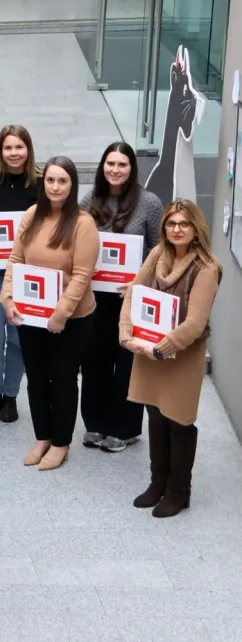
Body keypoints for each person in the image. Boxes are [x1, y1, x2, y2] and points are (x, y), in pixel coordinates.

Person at [120, 200, 221, 517]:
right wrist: (127, 334)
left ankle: (179, 491)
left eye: (184, 224)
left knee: (179, 420)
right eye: (171, 223)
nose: (177, 229)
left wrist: (161, 348)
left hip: (180, 355)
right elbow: (134, 293)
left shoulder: (207, 267)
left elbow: (196, 322)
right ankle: (158, 483)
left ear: (195, 229)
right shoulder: (157, 256)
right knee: (155, 415)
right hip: (147, 349)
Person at [1, 156, 99, 471]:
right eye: (50, 180)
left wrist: (61, 314)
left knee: (63, 380)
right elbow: (15, 259)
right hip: (32, 315)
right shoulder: (32, 215)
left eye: (62, 181)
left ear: (72, 186)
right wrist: (7, 298)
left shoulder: (83, 223)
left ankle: (60, 443)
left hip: (71, 319)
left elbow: (83, 276)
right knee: (37, 379)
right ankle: (42, 436)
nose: (55, 187)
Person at [79, 141, 163, 453]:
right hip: (96, 296)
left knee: (128, 362)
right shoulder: (89, 199)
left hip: (132, 297)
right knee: (95, 359)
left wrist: (142, 282)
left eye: (122, 165)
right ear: (103, 167)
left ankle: (125, 428)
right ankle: (96, 423)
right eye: (110, 164)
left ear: (131, 168)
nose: (115, 170)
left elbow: (160, 250)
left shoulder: (150, 203)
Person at [0, 125, 41, 424]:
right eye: (8, 148)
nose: (14, 153)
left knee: (17, 339)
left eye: (19, 147)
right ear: (0, 151)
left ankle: (11, 396)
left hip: (25, 275)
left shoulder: (40, 184)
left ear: (28, 149)